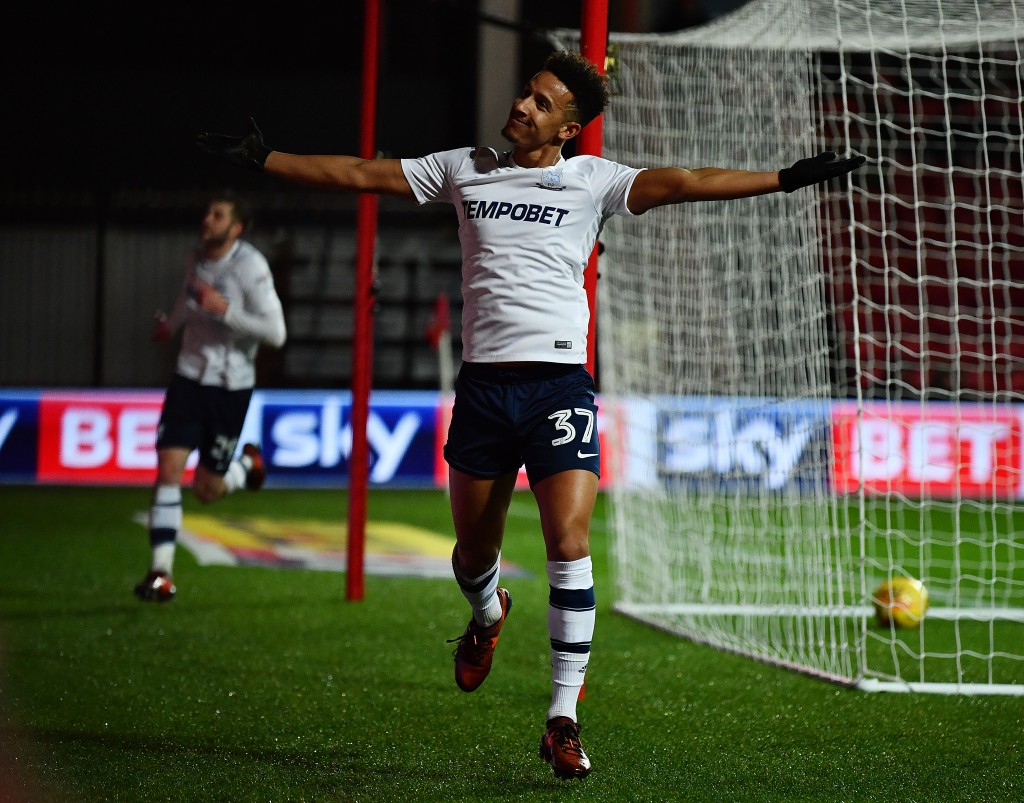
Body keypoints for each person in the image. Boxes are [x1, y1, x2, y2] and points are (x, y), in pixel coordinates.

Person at [196, 51, 864, 780]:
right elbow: (361, 173)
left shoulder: (592, 180)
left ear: (569, 128)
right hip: (484, 391)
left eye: (542, 104)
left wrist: (785, 177)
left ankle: (562, 718)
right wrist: (268, 158)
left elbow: (685, 182)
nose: (523, 107)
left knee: (568, 540)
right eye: (525, 95)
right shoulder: (463, 167)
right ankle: (486, 615)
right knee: (472, 555)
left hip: (559, 388)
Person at [135, 191, 287, 604]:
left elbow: (277, 333)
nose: (207, 219)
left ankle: (245, 467)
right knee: (168, 467)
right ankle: (160, 573)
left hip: (229, 386)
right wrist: (171, 326)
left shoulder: (251, 267)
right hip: (188, 376)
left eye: (217, 215)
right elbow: (189, 299)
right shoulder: (195, 257)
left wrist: (224, 311)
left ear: (236, 227)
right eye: (207, 212)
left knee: (207, 489)